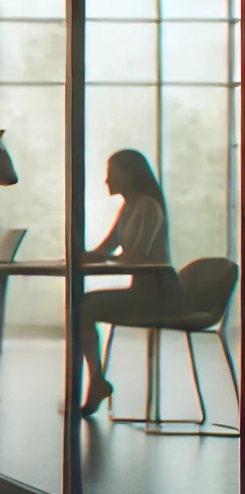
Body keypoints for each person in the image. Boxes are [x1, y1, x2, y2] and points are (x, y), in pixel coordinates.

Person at [78, 149, 180, 416]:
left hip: (159, 293)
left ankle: (96, 381)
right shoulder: (129, 206)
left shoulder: (147, 206)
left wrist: (108, 260)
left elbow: (136, 256)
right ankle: (96, 380)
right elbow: (106, 251)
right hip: (142, 291)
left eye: (112, 173)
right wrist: (76, 255)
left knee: (84, 307)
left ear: (130, 174)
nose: (106, 180)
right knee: (82, 306)